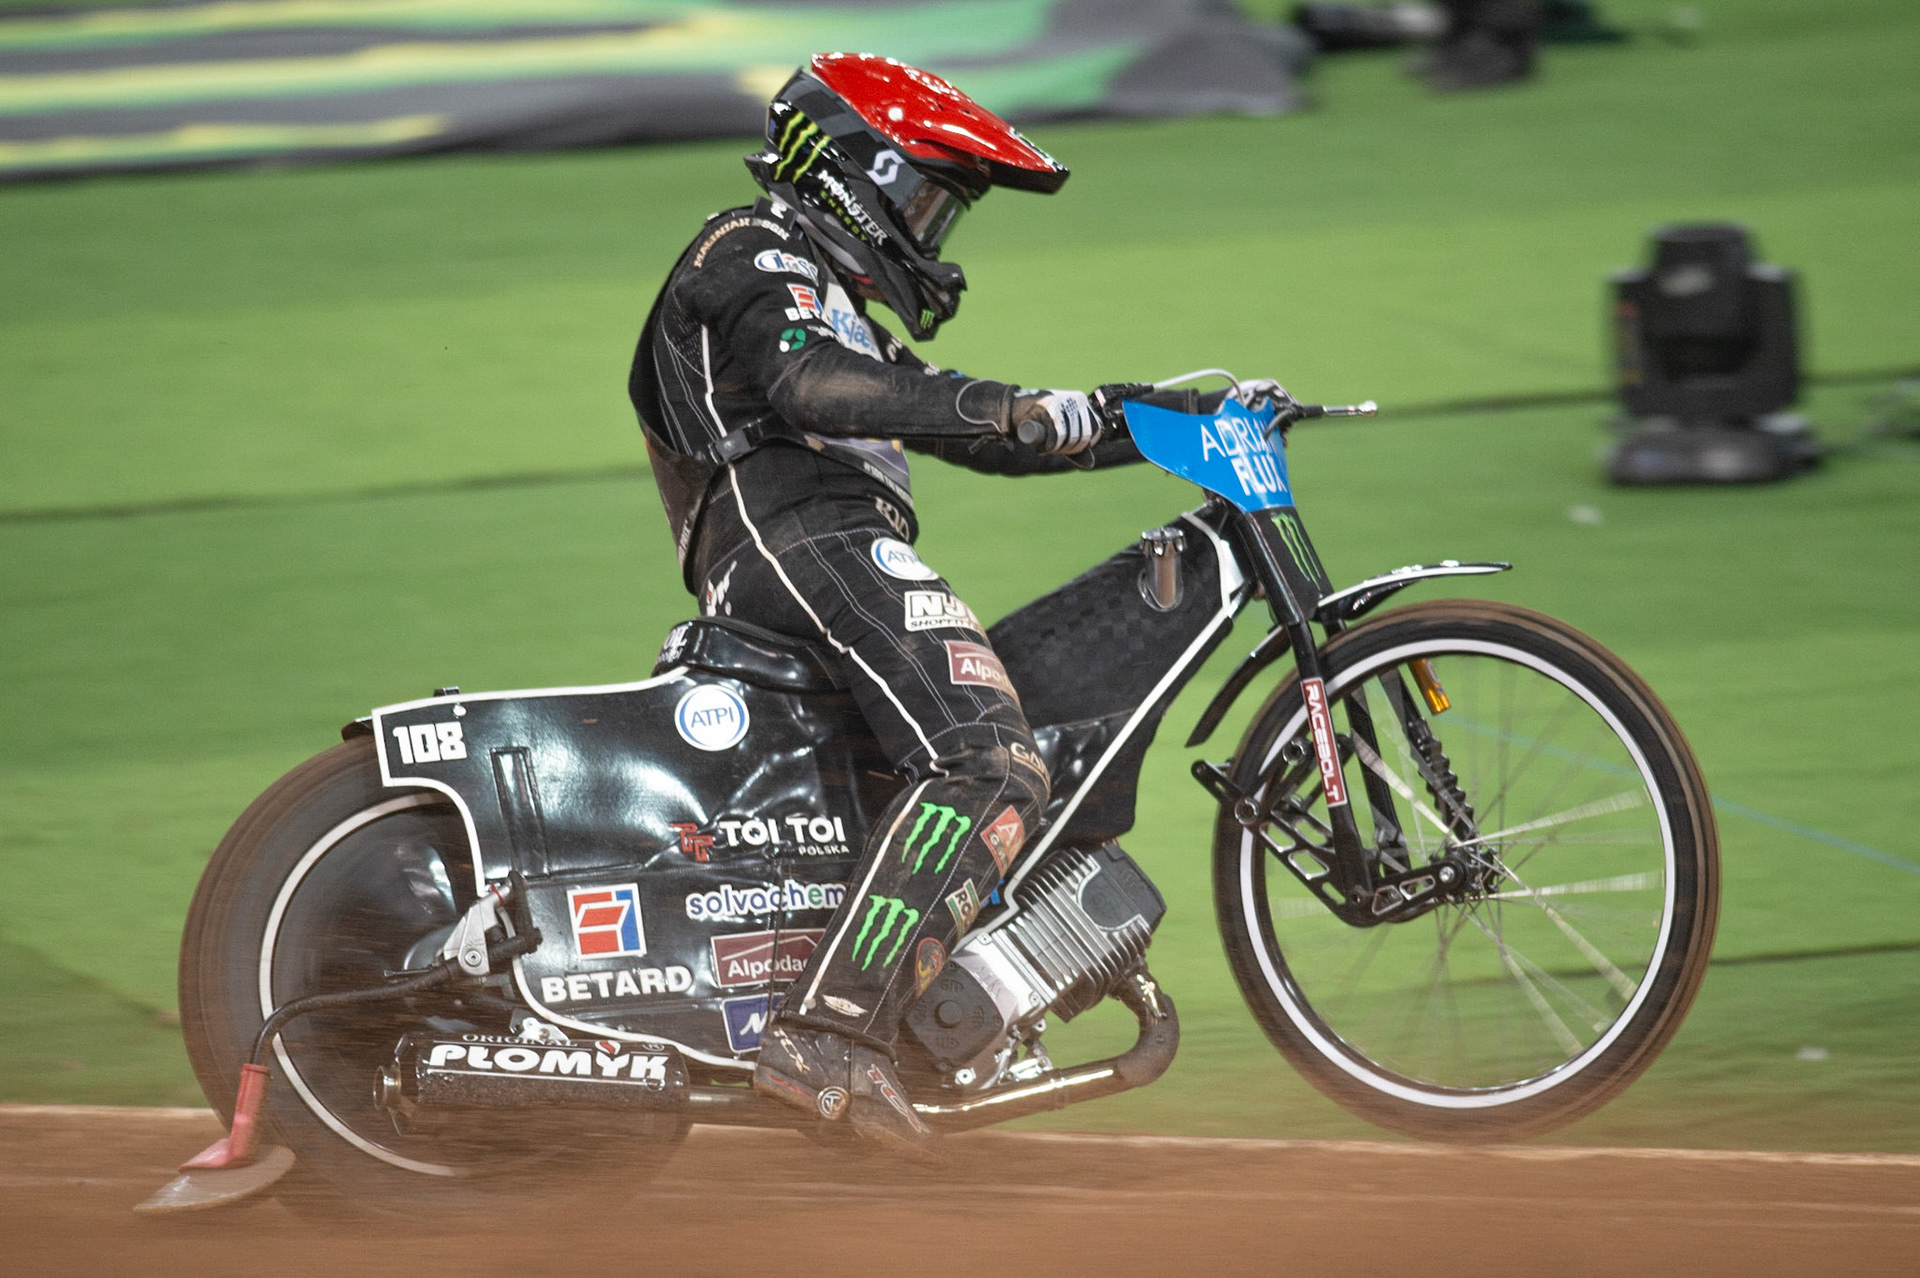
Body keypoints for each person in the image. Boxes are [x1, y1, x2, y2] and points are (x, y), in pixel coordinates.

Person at [626, 52, 1144, 1154]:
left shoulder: (823, 296)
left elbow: (966, 432)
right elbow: (814, 389)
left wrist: (1156, 418)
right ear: (846, 173)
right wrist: (1005, 404)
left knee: (975, 763)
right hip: (798, 537)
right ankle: (830, 1035)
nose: (928, 233)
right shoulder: (749, 249)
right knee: (992, 764)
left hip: (814, 548)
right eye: (920, 198)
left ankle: (890, 1018)